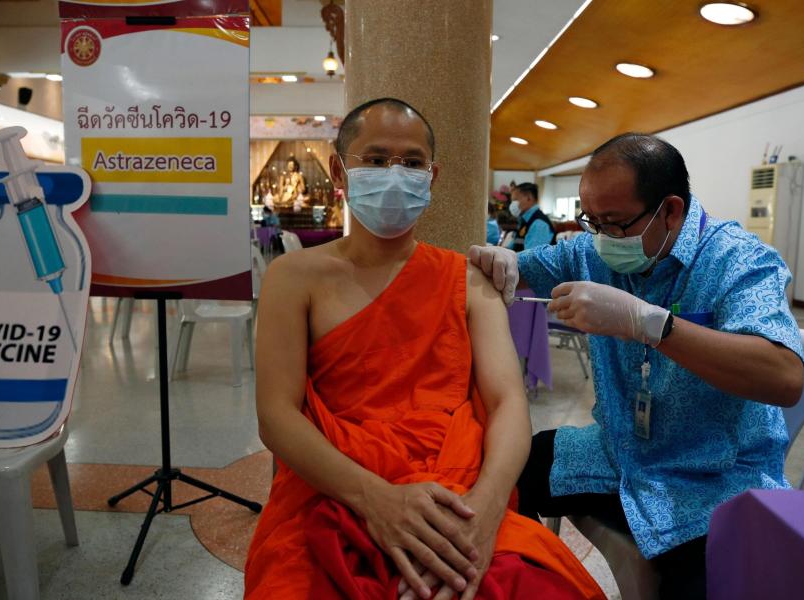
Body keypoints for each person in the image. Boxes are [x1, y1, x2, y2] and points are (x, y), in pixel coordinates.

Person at [245, 97, 604, 600]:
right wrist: (377, 500)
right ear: (339, 170)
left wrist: (485, 509)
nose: (395, 175)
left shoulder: (467, 280)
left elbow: (507, 403)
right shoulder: (295, 278)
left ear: (431, 177)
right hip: (333, 489)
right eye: (374, 159)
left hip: (459, 495)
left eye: (412, 163)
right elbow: (276, 415)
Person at [469, 132, 804, 600]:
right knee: (497, 477)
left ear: (670, 210)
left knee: (699, 585)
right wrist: (500, 259)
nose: (601, 239)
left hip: (713, 478)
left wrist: (650, 324)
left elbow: (785, 377)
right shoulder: (591, 251)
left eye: (615, 223)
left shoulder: (739, 262)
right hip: (617, 451)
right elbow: (522, 268)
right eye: (592, 221)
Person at [507, 182, 555, 252]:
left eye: (515, 200)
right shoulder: (525, 221)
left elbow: (531, 258)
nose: (512, 205)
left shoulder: (539, 224)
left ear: (529, 198)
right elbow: (514, 245)